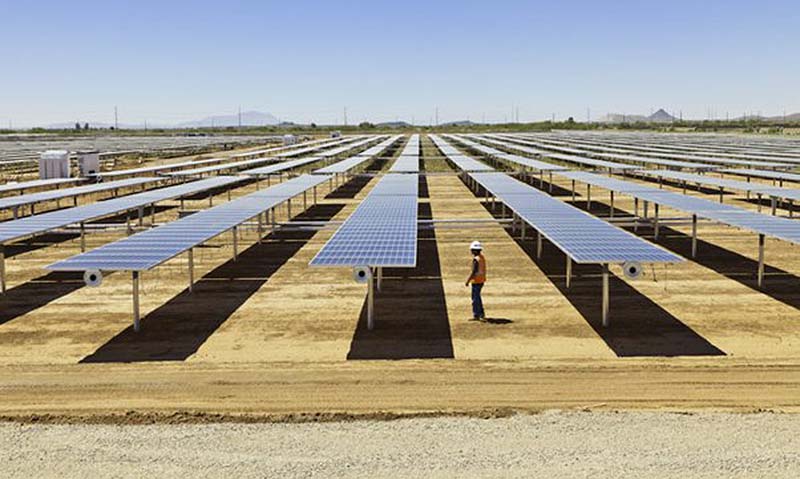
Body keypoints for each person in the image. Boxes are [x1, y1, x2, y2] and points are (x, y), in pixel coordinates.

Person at [465, 240, 487, 321]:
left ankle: (479, 314)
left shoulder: (476, 259)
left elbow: (474, 271)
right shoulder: (482, 258)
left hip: (476, 281)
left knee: (475, 299)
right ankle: (477, 314)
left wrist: (468, 280)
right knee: (476, 297)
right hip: (481, 280)